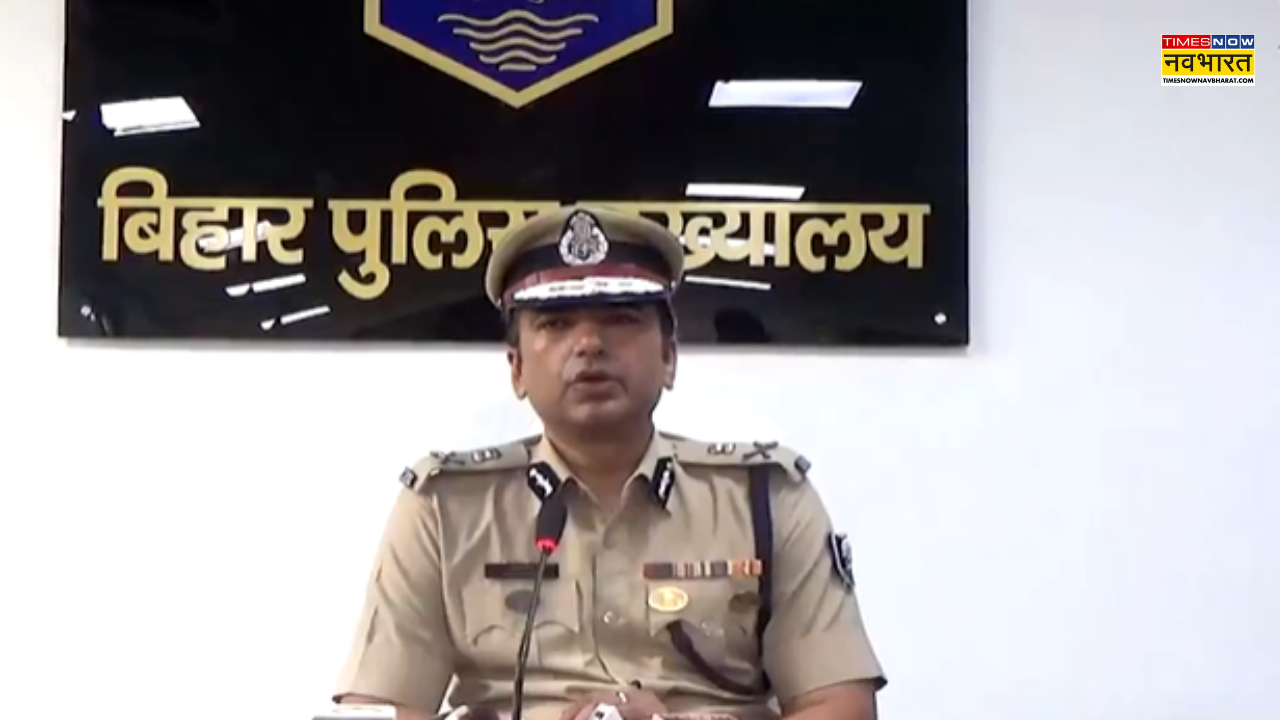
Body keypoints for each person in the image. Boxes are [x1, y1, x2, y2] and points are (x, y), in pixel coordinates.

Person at [332, 207, 887, 720]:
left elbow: (841, 707)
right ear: (516, 368)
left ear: (669, 356)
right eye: (555, 324)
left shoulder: (765, 499)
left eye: (620, 319)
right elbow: (376, 710)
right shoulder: (443, 509)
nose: (589, 344)